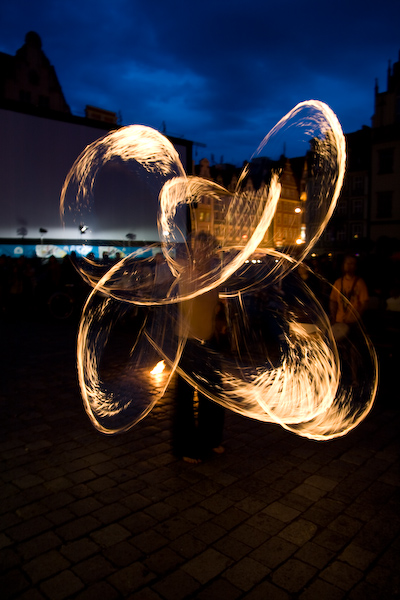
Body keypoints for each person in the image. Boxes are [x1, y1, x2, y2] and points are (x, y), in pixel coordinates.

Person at [172, 232, 226, 464]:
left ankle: (210, 439)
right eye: (198, 248)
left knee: (213, 393)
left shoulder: (214, 275)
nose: (202, 252)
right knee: (185, 397)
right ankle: (185, 447)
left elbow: (217, 304)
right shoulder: (184, 273)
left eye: (206, 248)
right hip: (188, 342)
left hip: (209, 341)